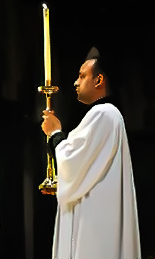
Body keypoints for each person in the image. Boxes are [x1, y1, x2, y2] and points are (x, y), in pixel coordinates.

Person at [41, 47, 140, 258]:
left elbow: (72, 161)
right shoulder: (106, 116)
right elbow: (80, 165)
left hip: (95, 223)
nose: (76, 82)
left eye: (82, 76)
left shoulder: (103, 114)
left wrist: (54, 133)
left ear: (98, 80)